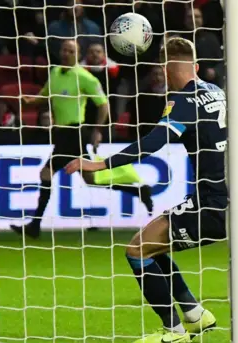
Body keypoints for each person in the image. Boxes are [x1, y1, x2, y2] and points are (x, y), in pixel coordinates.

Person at [66, 37, 238, 343]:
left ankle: (173, 329)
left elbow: (154, 142)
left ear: (167, 67)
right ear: (196, 66)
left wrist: (100, 165)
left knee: (136, 250)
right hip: (235, 199)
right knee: (152, 246)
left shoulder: (183, 101)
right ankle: (196, 314)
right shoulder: (219, 93)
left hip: (212, 204)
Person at [11, 39, 153, 239]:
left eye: (71, 51)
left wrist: (97, 130)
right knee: (91, 179)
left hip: (74, 132)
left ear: (78, 55)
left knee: (46, 173)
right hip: (62, 132)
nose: (67, 53)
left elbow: (103, 105)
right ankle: (140, 192)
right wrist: (29, 101)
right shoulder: (55, 73)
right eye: (64, 50)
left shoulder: (85, 78)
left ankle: (35, 225)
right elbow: (45, 96)